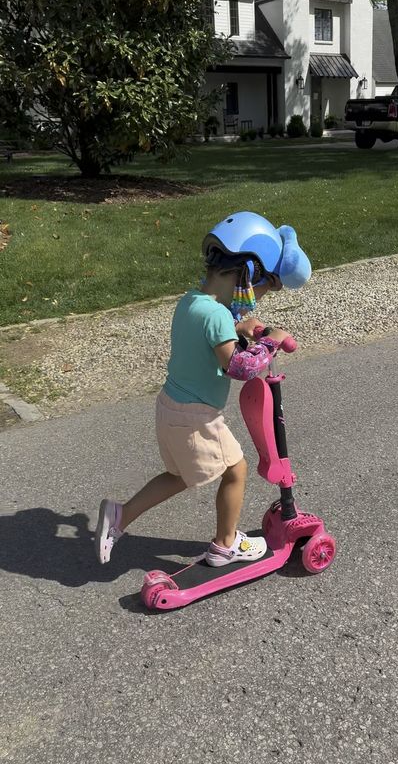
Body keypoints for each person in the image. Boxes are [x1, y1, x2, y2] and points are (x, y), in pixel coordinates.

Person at [95, 212, 311, 567]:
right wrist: (270, 342)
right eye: (263, 287)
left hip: (171, 408)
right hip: (196, 417)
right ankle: (226, 546)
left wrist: (241, 326)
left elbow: (213, 333)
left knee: (180, 475)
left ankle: (121, 515)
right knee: (236, 470)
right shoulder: (217, 317)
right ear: (247, 274)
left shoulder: (193, 303)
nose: (259, 298)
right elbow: (240, 367)